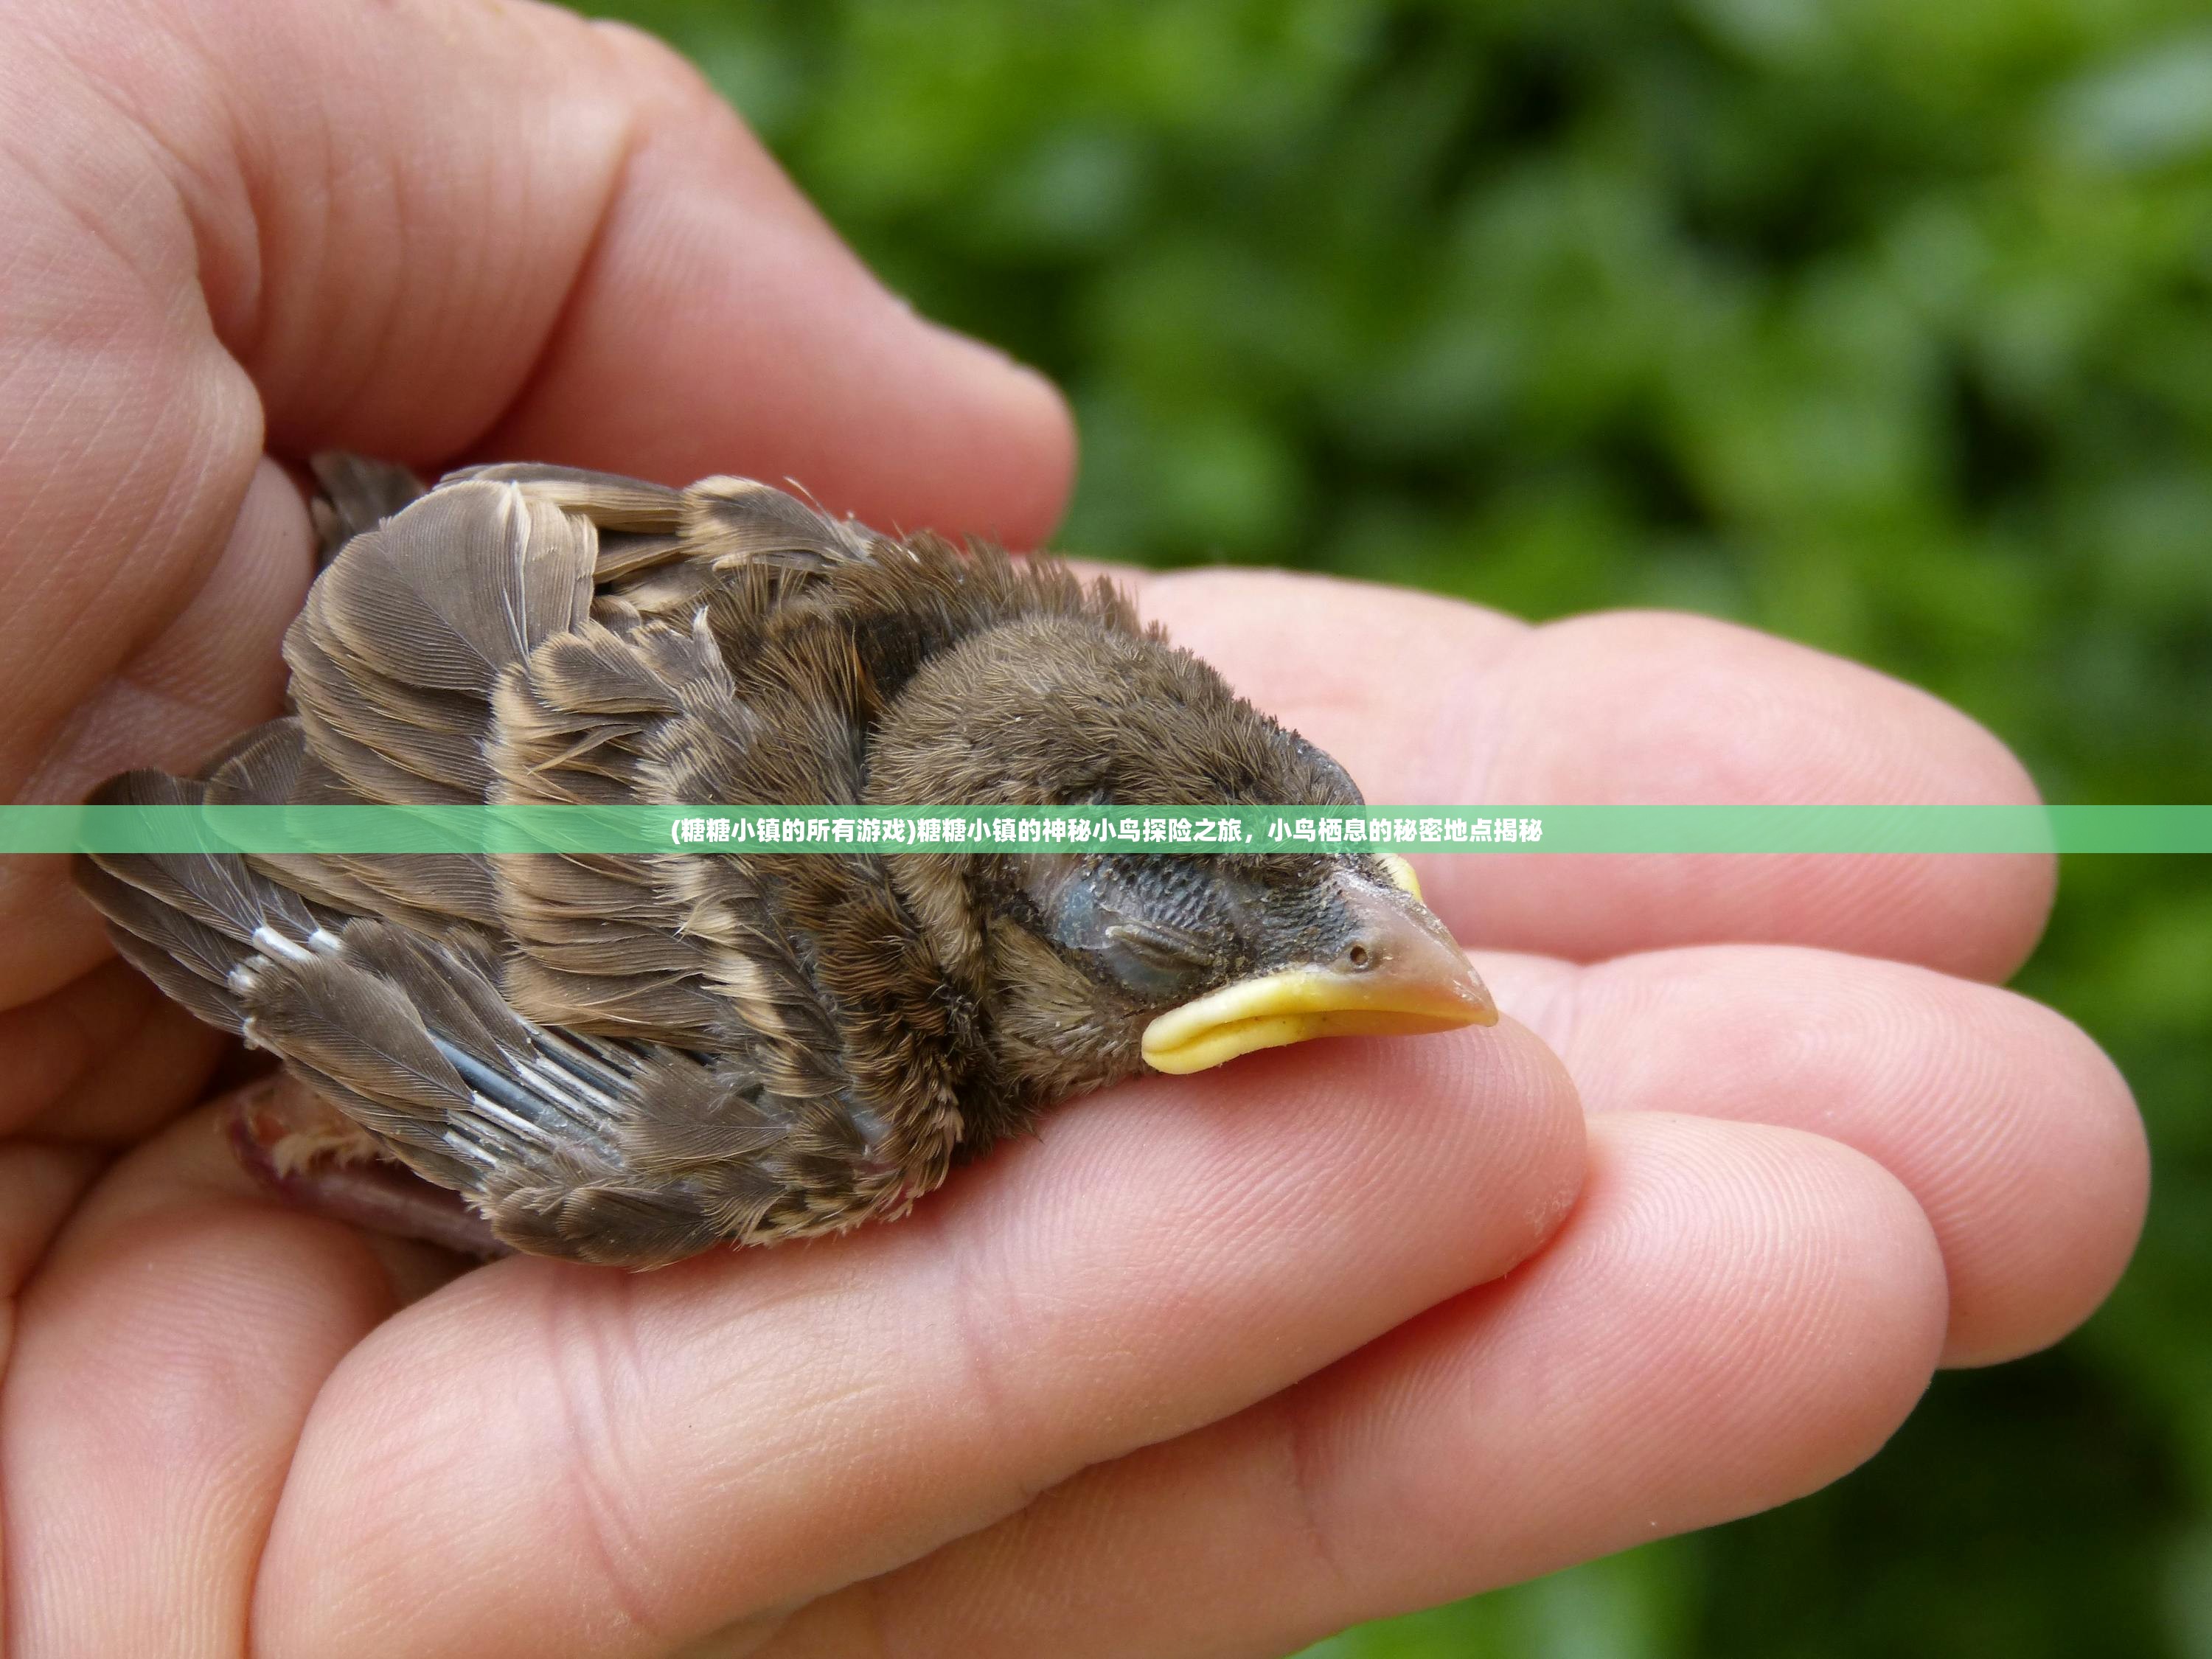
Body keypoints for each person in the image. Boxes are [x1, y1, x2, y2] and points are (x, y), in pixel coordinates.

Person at [0, 2, 2147, 1654]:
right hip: (376, 758)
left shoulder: (1019, 668)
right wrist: (349, 1065)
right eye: (1157, 938)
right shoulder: (852, 1077)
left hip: (443, 597)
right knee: (678, 1155)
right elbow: (521, 1045)